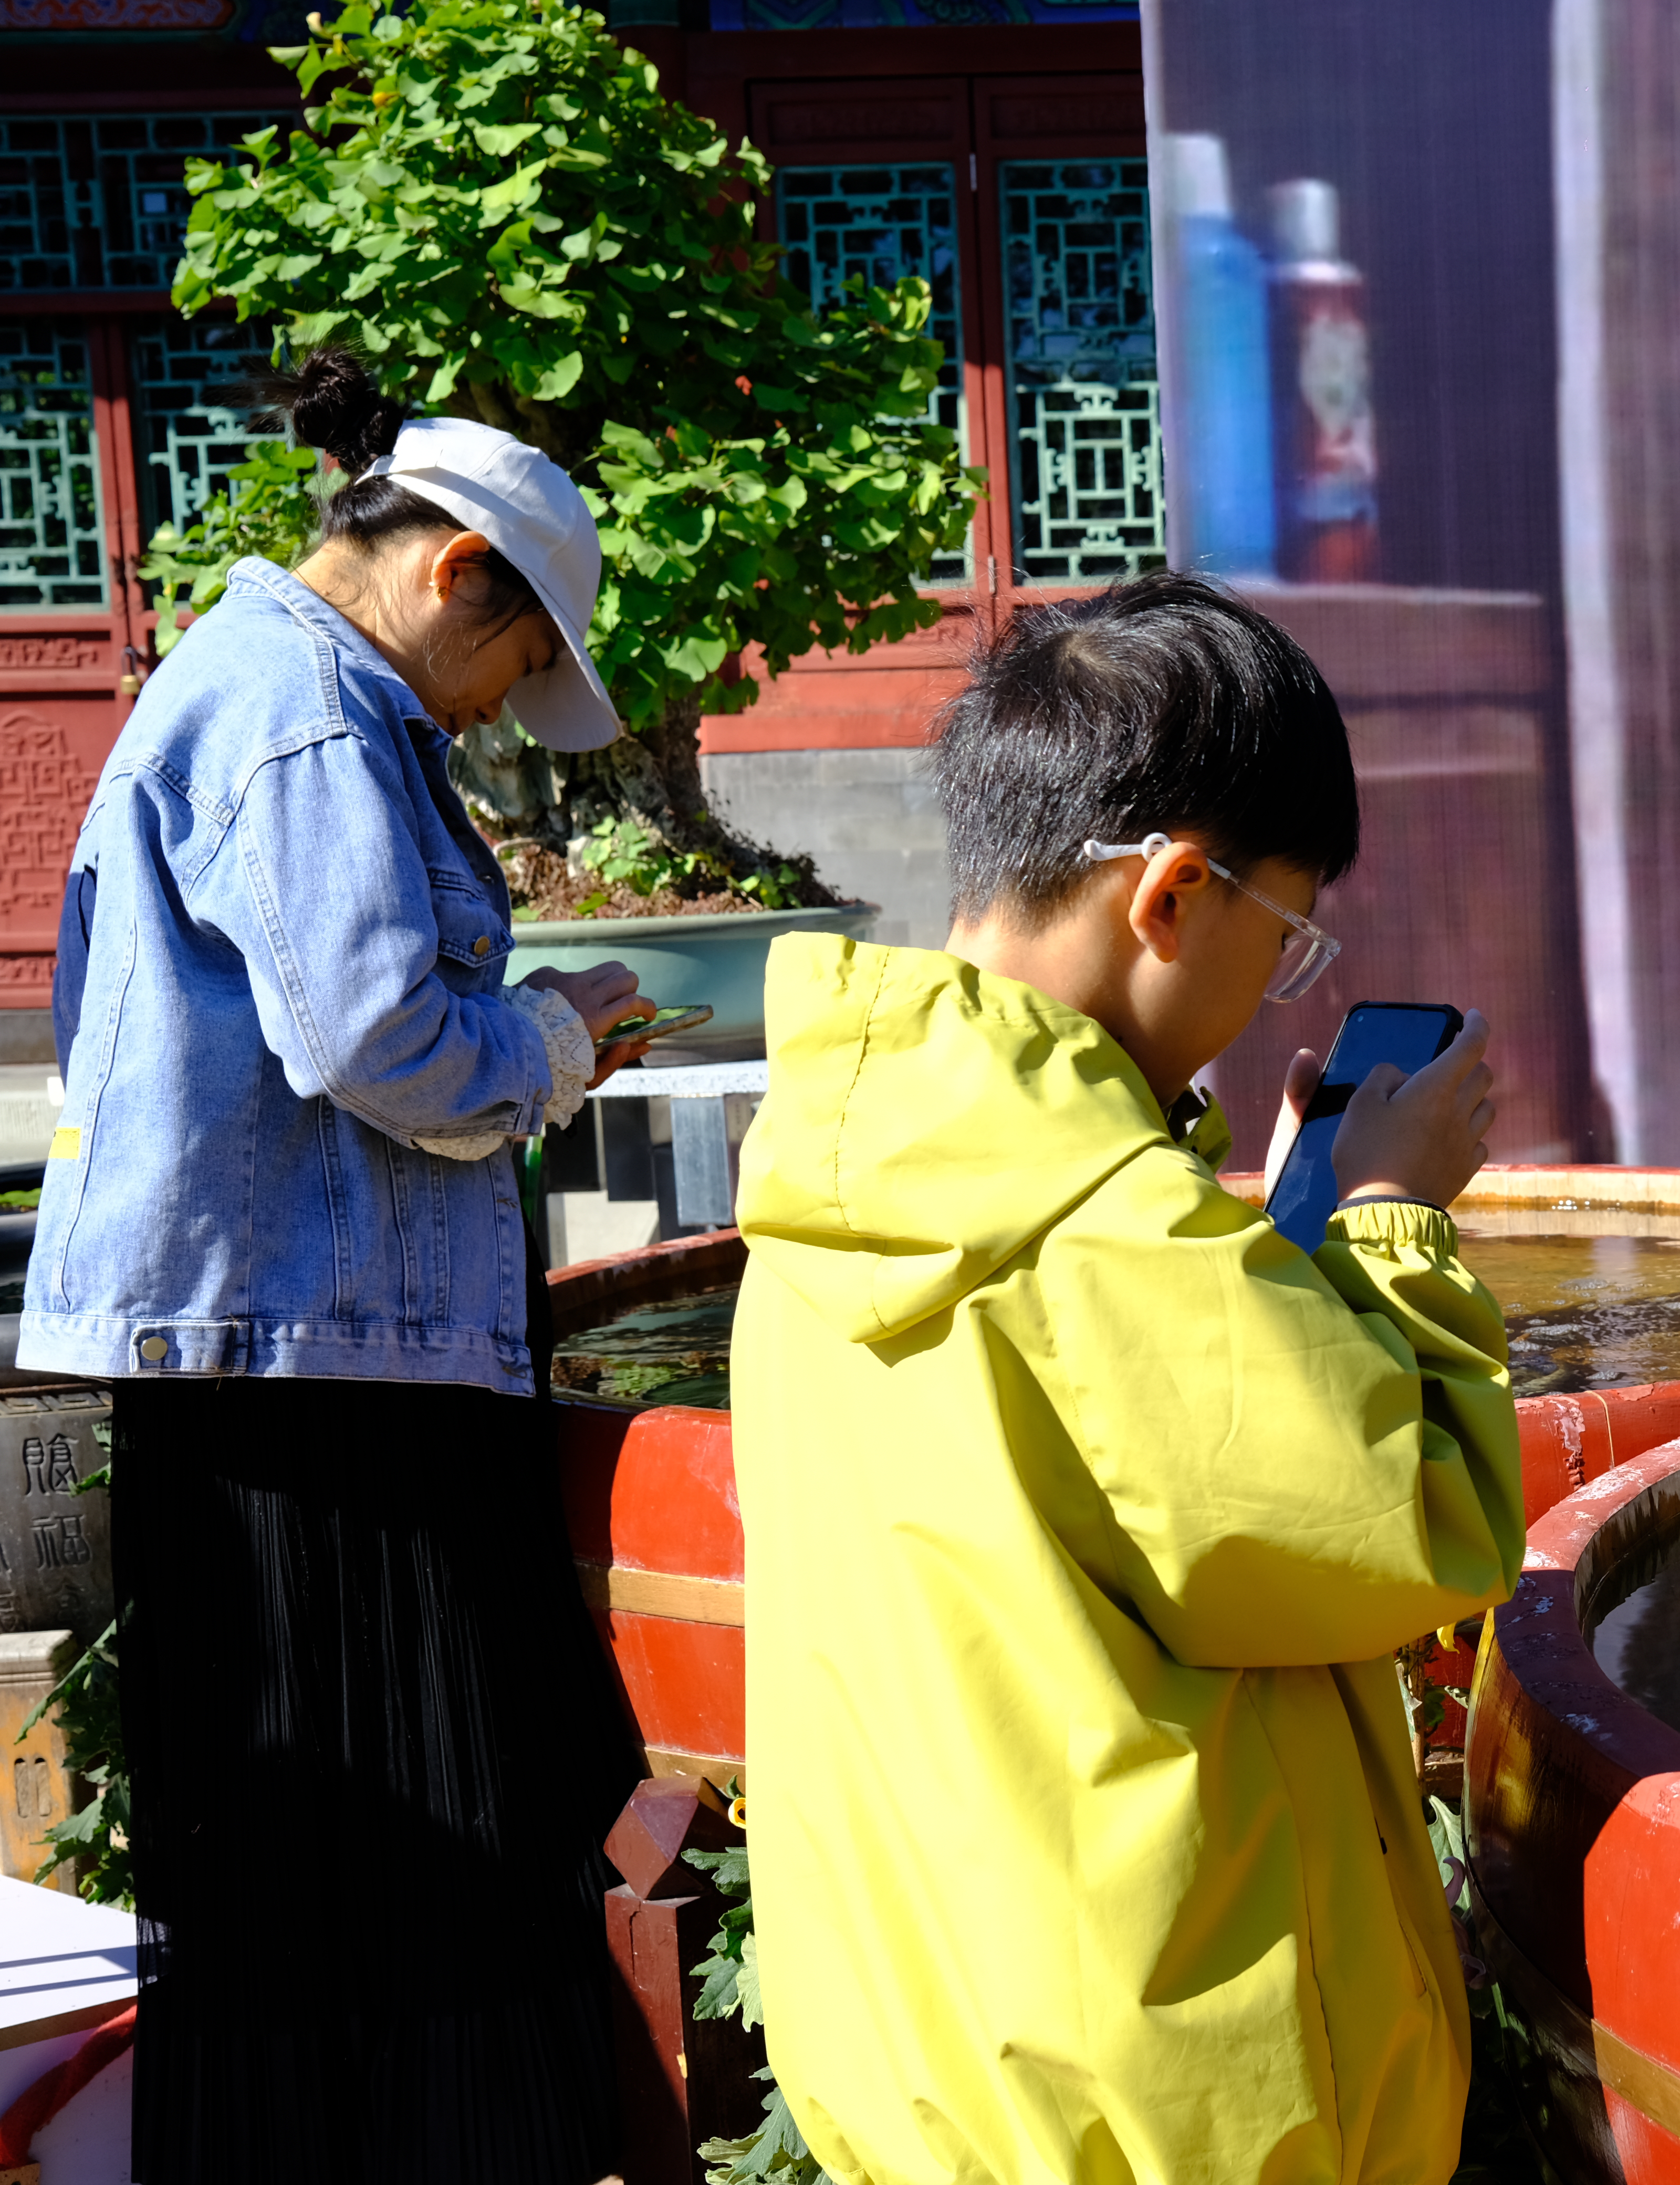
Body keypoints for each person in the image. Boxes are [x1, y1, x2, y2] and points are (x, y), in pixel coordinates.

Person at [734, 572, 1522, 2185]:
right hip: (1175, 2108)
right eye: (1288, 934)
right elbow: (1408, 1524)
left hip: (947, 2065)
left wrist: (1268, 1225)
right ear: (1169, 896)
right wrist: (1387, 1225)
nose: (1278, 987)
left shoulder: (841, 1160)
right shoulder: (1105, 1231)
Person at [19, 349, 660, 2178]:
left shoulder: (266, 689)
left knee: (315, 1865)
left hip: (296, 1349)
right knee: (404, 1836)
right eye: (518, 664)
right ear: (458, 573)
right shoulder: (306, 710)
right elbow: (381, 1041)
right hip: (314, 1374)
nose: (492, 710)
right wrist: (549, 1041)